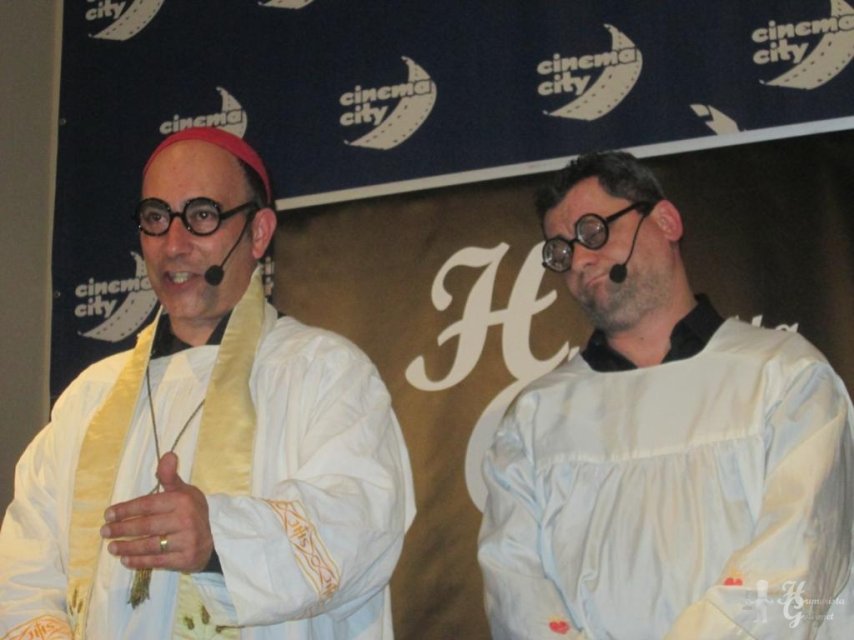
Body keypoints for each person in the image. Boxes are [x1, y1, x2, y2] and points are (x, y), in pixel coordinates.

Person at [0, 127, 415, 639]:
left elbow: (361, 523)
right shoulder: (90, 398)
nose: (174, 246)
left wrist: (218, 537)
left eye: (202, 215)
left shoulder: (324, 372)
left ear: (258, 233)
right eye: (156, 218)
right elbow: (25, 566)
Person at [477, 150, 854, 639]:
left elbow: (798, 552)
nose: (581, 261)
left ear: (666, 221)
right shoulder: (535, 419)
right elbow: (516, 585)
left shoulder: (783, 376)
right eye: (561, 252)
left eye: (593, 231)